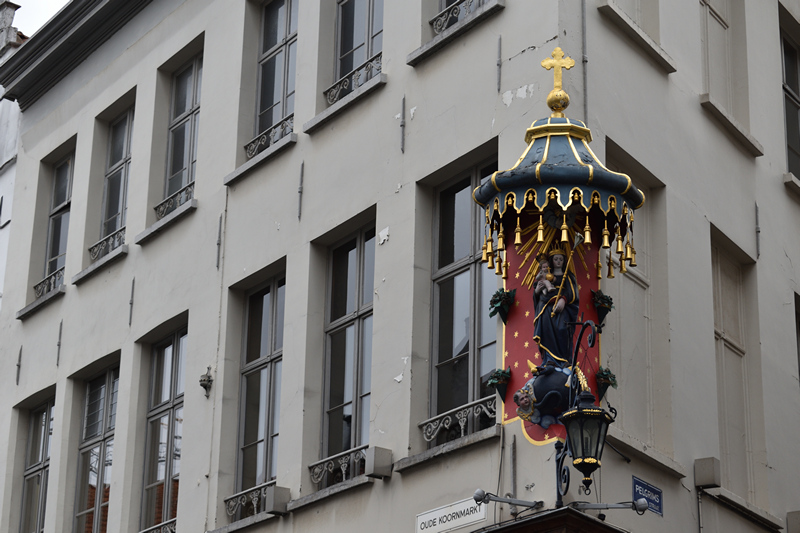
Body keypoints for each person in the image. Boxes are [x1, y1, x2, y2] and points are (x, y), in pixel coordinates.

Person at [533, 246, 579, 366]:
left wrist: (563, 300)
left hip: (561, 308)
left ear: (564, 261)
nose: (558, 262)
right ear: (551, 261)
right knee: (546, 331)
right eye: (556, 259)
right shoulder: (548, 275)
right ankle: (549, 359)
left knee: (562, 329)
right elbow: (538, 291)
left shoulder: (567, 276)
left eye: (561, 259)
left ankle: (563, 359)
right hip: (546, 307)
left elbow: (572, 292)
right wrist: (537, 291)